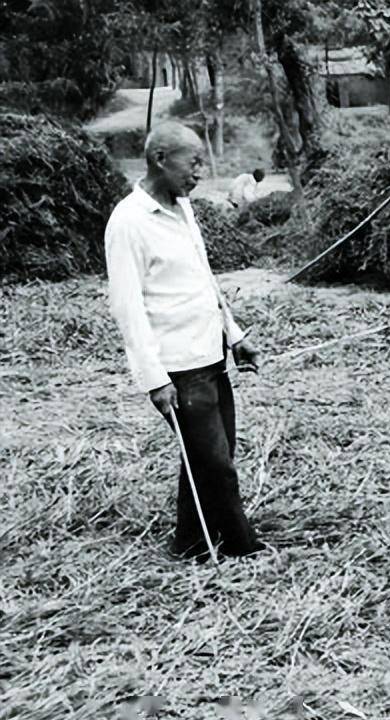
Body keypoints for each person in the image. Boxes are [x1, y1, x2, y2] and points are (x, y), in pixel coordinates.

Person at [105, 122, 267, 561]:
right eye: (192, 162)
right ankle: (242, 549)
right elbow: (127, 307)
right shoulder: (129, 222)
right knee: (216, 464)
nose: (200, 172)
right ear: (160, 158)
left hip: (210, 354)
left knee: (206, 456)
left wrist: (235, 336)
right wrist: (154, 379)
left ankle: (191, 543)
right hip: (177, 365)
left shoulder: (184, 209)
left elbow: (204, 280)